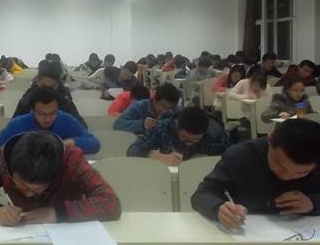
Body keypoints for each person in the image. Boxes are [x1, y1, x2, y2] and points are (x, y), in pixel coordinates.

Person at [0, 131, 121, 225]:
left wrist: (57, 213)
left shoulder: (72, 159)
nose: (27, 195)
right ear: (13, 169)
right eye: (21, 186)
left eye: (37, 190)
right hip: (22, 235)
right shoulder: (3, 159)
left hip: (69, 234)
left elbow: (110, 203)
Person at [191, 119, 320, 230]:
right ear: (270, 140)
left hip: (307, 236)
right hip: (250, 232)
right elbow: (203, 193)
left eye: (302, 172)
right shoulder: (240, 156)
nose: (286, 176)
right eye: (280, 165)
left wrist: (313, 203)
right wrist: (219, 208)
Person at [0, 87, 100, 161]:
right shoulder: (18, 124)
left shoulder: (66, 120)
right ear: (33, 110)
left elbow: (94, 143)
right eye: (42, 114)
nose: (48, 119)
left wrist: (75, 142)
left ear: (57, 108)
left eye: (52, 113)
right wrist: (11, 155)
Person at [127, 107, 232, 166]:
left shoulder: (219, 137)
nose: (189, 144)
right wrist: (158, 157)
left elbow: (230, 164)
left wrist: (207, 161)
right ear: (177, 126)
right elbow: (132, 150)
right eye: (184, 138)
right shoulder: (165, 127)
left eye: (195, 140)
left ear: (205, 132)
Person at [13, 61, 86, 127]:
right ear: (37, 82)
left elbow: (81, 126)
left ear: (58, 84)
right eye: (44, 86)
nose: (47, 90)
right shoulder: (27, 101)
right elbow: (13, 126)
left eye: (52, 86)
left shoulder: (64, 99)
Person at [113, 83, 180, 135]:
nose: (164, 111)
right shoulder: (139, 106)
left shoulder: (175, 110)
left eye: (169, 108)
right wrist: (142, 124)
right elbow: (118, 125)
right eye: (162, 106)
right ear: (154, 99)